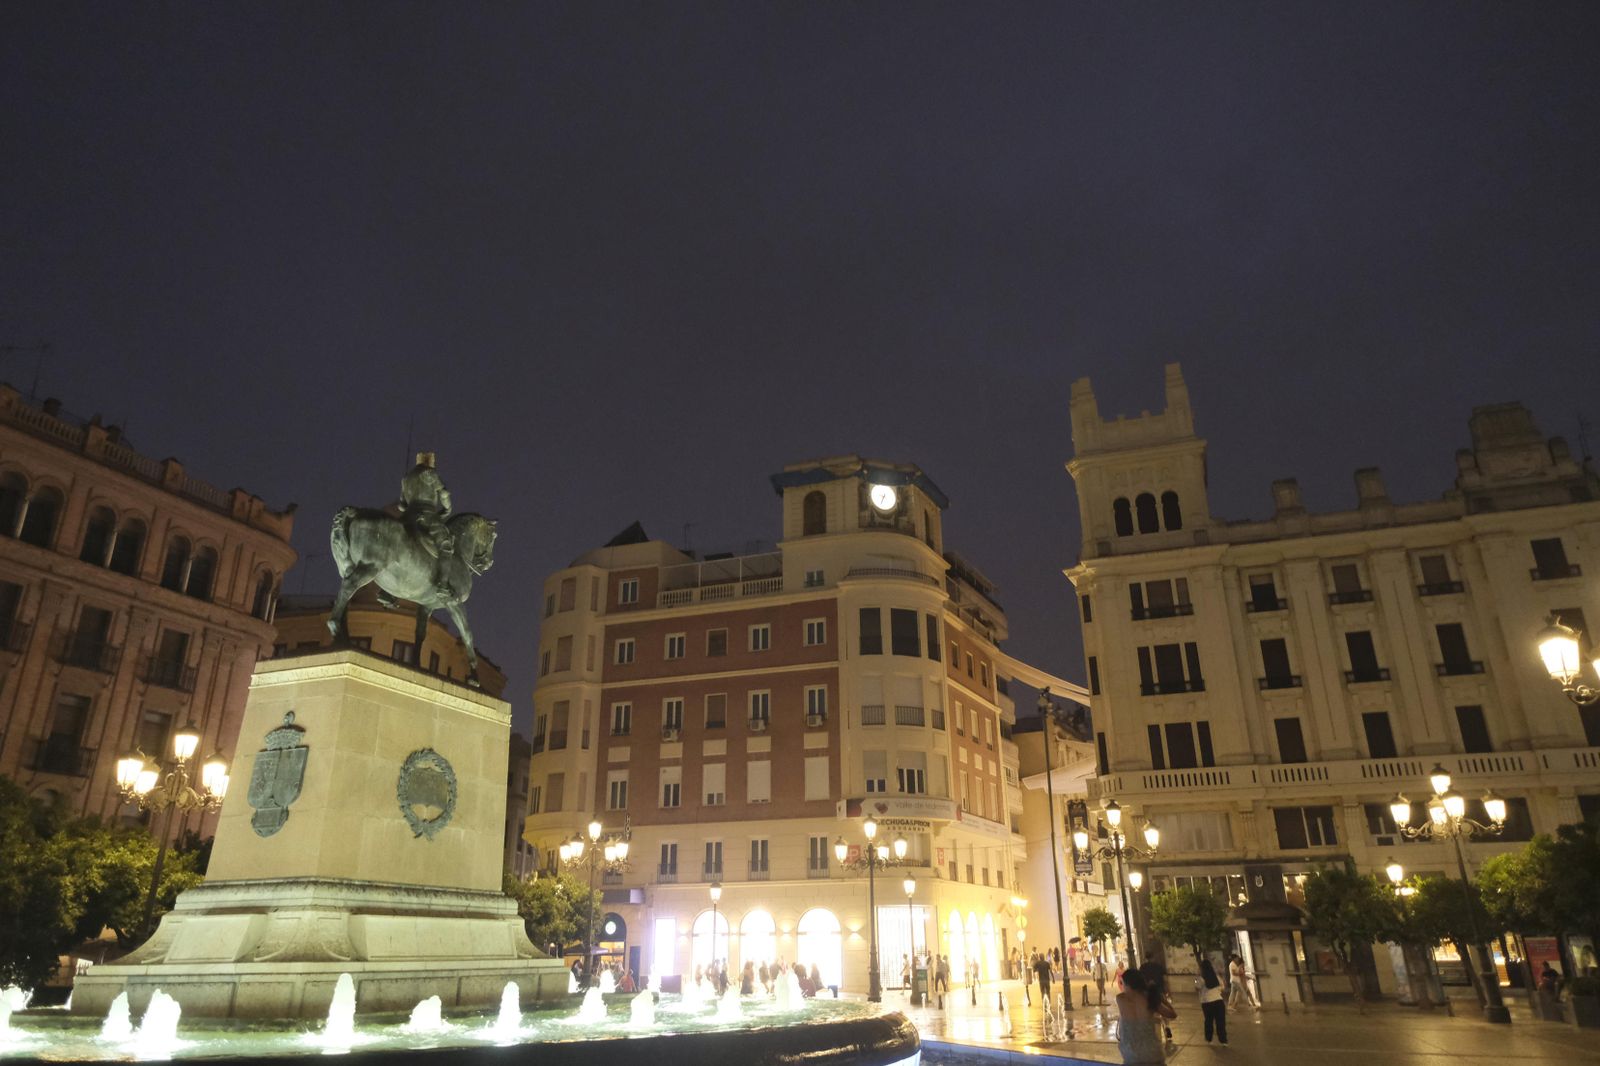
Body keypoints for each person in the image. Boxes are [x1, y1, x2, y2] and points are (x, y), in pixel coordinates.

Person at [1115, 968, 1175, 1065]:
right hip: (1153, 1054)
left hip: (1131, 1055)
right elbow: (1172, 1014)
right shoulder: (1150, 999)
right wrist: (1162, 999)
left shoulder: (1120, 999)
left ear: (1126, 983)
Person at [1196, 959, 1227, 1045]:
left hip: (1207, 1002)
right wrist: (1218, 991)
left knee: (1209, 1021)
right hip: (1218, 1001)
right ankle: (1223, 1040)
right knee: (1220, 1021)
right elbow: (1223, 987)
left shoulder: (1201, 978)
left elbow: (1197, 988)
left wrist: (1196, 977)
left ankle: (1209, 1039)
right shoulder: (1216, 976)